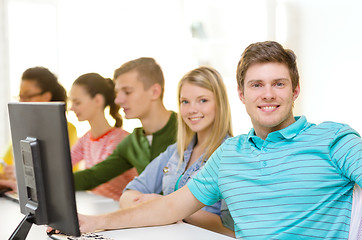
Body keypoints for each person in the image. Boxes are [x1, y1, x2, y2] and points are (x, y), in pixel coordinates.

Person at [76, 41, 362, 240]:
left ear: (295, 90)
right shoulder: (229, 154)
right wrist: (94, 222)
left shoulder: (334, 138)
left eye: (279, 83)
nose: (268, 94)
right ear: (241, 94)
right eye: (256, 85)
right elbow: (170, 207)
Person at [119, 66, 234, 237]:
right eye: (185, 102)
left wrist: (168, 208)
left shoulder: (232, 154)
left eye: (202, 100)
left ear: (220, 103)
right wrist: (154, 205)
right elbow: (129, 194)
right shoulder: (175, 152)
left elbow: (231, 229)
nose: (192, 109)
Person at [73, 57, 178, 192]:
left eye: (127, 92)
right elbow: (93, 176)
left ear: (155, 92)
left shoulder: (188, 130)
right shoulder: (132, 142)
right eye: (117, 93)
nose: (118, 100)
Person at [0, 67, 77, 191]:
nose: (22, 101)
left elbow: (60, 173)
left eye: (27, 96)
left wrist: (19, 174)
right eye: (20, 96)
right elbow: (3, 166)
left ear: (46, 96)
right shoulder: (24, 129)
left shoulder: (66, 129)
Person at [69, 73, 137, 200]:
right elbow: (66, 162)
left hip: (118, 208)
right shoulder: (86, 139)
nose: (72, 108)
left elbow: (97, 175)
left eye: (77, 102)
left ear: (97, 101)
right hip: (96, 206)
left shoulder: (120, 139)